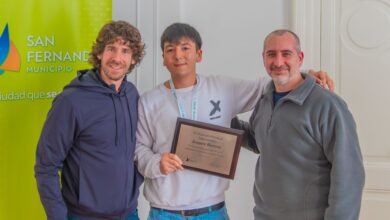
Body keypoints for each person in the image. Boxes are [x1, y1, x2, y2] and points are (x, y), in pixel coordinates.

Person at [134, 23, 334, 220]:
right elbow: (139, 149)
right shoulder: (148, 101)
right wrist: (156, 163)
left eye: (185, 48)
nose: (178, 55)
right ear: (163, 59)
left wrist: (305, 75)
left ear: (199, 55)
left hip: (212, 210)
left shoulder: (222, 88)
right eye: (170, 50)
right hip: (164, 212)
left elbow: (267, 84)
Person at [232, 29, 365, 220]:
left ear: (300, 58)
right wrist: (222, 116)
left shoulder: (327, 105)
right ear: (263, 59)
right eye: (271, 54)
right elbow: (257, 141)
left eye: (286, 54)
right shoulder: (264, 100)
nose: (278, 62)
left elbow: (349, 174)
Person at [34, 20, 145, 220]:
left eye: (125, 51)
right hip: (84, 216)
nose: (117, 58)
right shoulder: (71, 101)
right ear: (100, 53)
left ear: (134, 59)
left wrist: (133, 185)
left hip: (129, 214)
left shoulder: (132, 94)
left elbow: (136, 149)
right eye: (111, 48)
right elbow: (46, 166)